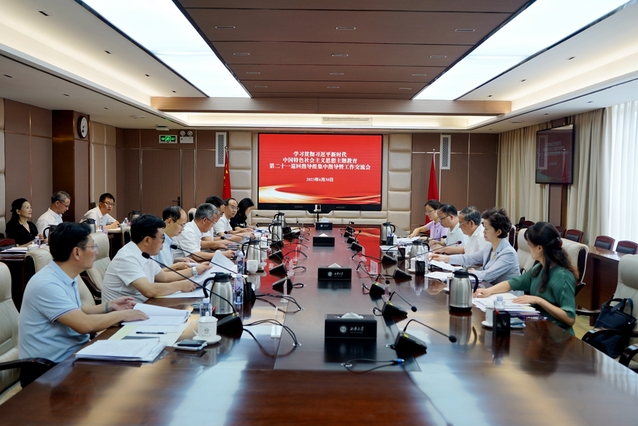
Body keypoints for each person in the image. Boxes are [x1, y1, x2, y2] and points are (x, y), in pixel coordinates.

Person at [18, 222, 148, 367]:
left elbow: (75, 311)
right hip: (50, 368)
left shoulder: (66, 275)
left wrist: (109, 306)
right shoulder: (47, 284)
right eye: (93, 247)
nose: (96, 252)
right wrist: (123, 315)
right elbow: (84, 324)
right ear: (77, 252)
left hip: (76, 354)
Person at [474, 221, 577, 334]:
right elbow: (513, 283)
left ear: (539, 248)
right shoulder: (539, 268)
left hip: (558, 334)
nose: (528, 248)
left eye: (529, 244)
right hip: (539, 328)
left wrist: (539, 300)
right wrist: (488, 291)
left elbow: (569, 318)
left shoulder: (563, 276)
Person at [101, 214, 209, 304]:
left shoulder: (144, 253)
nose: (164, 242)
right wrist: (181, 286)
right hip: (119, 317)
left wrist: (195, 270)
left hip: (139, 307)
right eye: (162, 237)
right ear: (147, 240)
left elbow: (164, 277)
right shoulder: (127, 257)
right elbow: (149, 290)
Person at [431, 208, 520, 284]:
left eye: (486, 229)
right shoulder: (489, 246)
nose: (483, 231)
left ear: (498, 232)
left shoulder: (508, 253)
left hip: (507, 296)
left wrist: (474, 272)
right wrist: (444, 258)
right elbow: (469, 258)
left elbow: (488, 275)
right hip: (489, 289)